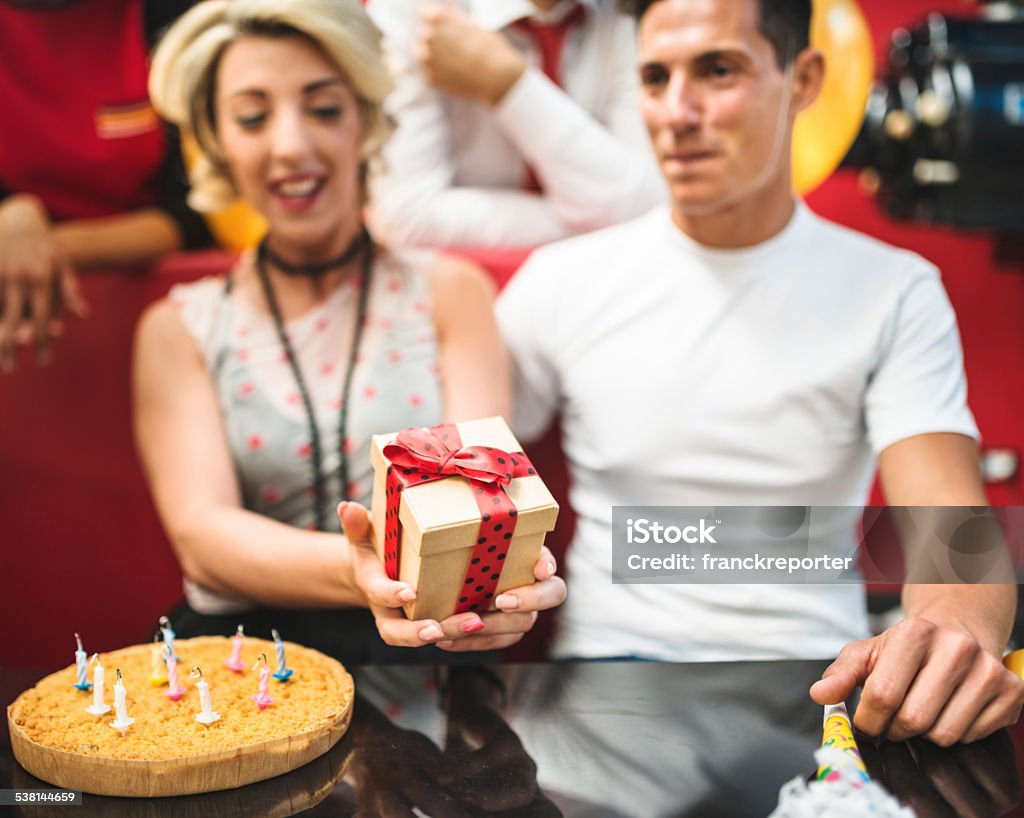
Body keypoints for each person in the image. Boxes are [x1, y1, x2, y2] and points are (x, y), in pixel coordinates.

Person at [488, 0, 1022, 744]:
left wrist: (955, 626)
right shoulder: (561, 284)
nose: (677, 112)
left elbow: (951, 525)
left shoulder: (893, 289)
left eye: (717, 70)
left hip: (815, 689)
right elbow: (465, 468)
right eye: (654, 77)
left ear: (803, 79)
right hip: (604, 693)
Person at [137, 0, 564, 663]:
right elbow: (203, 537)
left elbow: (481, 497)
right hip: (238, 660)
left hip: (421, 646)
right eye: (253, 117)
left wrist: (498, 577)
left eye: (324, 107)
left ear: (366, 120)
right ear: (217, 141)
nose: (291, 145)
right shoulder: (179, 327)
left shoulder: (450, 292)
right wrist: (362, 572)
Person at [0, 0, 210, 373]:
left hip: (164, 317)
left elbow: (201, 209)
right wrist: (13, 213)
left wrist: (50, 251)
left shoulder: (171, 14)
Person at [365, 0, 667, 249]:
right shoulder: (411, 10)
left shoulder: (633, 13)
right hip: (458, 287)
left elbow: (649, 208)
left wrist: (509, 85)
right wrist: (601, 217)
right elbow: (407, 219)